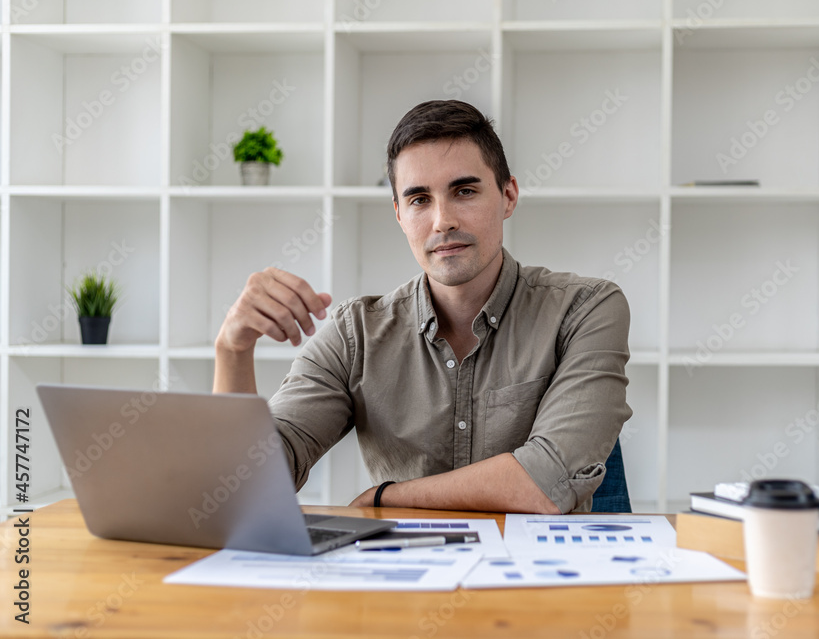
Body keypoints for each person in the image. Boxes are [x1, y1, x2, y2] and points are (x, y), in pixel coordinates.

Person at [213, 100, 631, 514]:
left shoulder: (586, 309)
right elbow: (244, 489)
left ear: (508, 196)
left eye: (464, 191)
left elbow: (545, 483)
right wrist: (233, 350)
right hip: (407, 573)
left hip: (548, 575)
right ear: (398, 213)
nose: (442, 220)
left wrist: (385, 496)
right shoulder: (356, 335)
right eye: (419, 199)